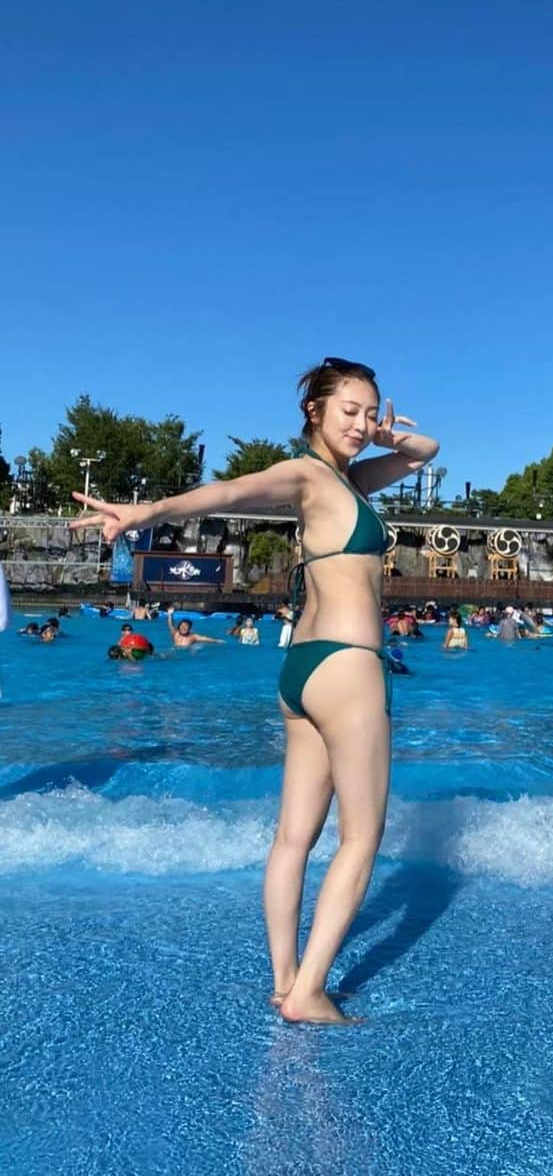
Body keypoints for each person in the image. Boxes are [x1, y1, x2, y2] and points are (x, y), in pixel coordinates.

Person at [71, 356, 439, 1025]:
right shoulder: (309, 475)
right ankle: (309, 993)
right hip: (351, 667)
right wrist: (148, 511)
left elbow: (426, 451)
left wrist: (387, 438)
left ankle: (284, 978)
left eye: (369, 412)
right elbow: (233, 492)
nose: (360, 424)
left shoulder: (349, 482)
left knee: (294, 838)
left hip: (302, 673)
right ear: (313, 413)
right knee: (360, 839)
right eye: (347, 411)